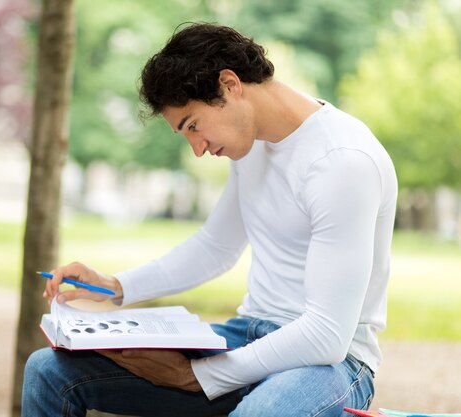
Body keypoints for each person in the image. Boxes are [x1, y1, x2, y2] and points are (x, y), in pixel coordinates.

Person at [22, 22, 397, 417]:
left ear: (230, 85)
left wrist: (199, 376)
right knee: (48, 371)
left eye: (193, 126)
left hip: (331, 364)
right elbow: (216, 247)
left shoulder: (341, 163)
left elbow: (327, 336)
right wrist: (113, 286)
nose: (197, 148)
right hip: (247, 335)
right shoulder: (250, 146)